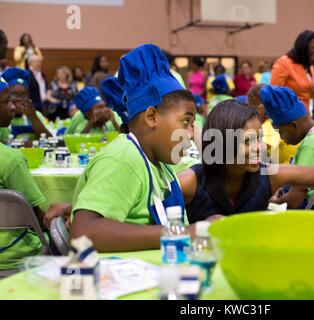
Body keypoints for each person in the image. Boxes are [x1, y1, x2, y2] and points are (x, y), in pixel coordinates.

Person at [69, 44, 203, 252]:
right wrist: (183, 233)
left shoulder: (160, 164)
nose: (191, 134)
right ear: (151, 117)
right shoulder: (123, 158)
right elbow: (83, 233)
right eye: (185, 122)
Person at [178, 99, 314, 223]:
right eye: (247, 141)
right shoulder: (189, 182)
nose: (259, 148)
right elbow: (160, 229)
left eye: (259, 138)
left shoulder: (269, 175)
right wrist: (201, 228)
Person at [260, 85, 314, 209]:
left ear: (294, 125)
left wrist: (273, 202)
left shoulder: (310, 145)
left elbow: (295, 200)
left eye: (280, 132)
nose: (282, 138)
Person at [0, 77, 48, 271]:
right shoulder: (11, 160)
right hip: (13, 255)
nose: (13, 106)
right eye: (6, 101)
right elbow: (37, 217)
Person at [271, 30, 314, 112]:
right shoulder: (284, 63)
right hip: (290, 117)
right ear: (303, 46)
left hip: (305, 115)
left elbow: (310, 92)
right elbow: (274, 95)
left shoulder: (309, 66)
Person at [247, 84, 298, 164]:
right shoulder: (282, 119)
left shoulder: (270, 125)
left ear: (260, 108)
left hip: (288, 170)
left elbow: (259, 148)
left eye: (251, 111)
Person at [2, 67, 51, 141]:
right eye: (13, 94)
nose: (19, 98)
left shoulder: (36, 115)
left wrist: (33, 118)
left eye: (23, 94)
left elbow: (49, 139)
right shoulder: (2, 117)